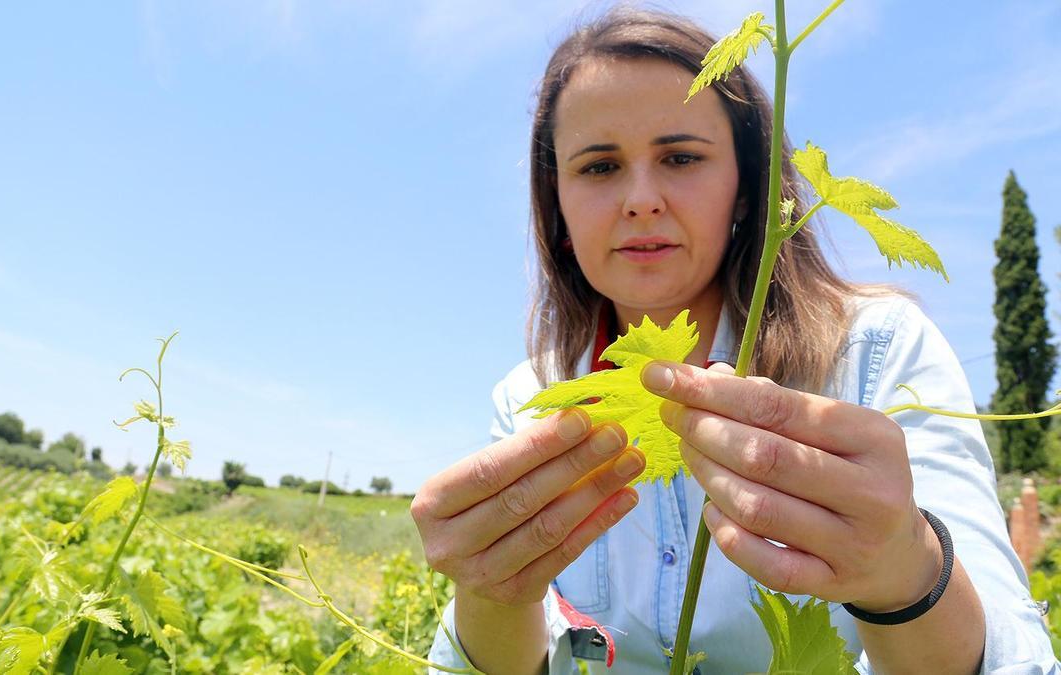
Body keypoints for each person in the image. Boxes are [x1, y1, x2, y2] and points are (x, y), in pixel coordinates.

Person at [411, 7, 1058, 675]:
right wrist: (489, 594)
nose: (640, 198)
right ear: (560, 208)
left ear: (747, 190)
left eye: (681, 156)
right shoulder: (530, 398)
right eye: (600, 167)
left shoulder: (873, 353)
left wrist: (907, 573)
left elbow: (1017, 658)